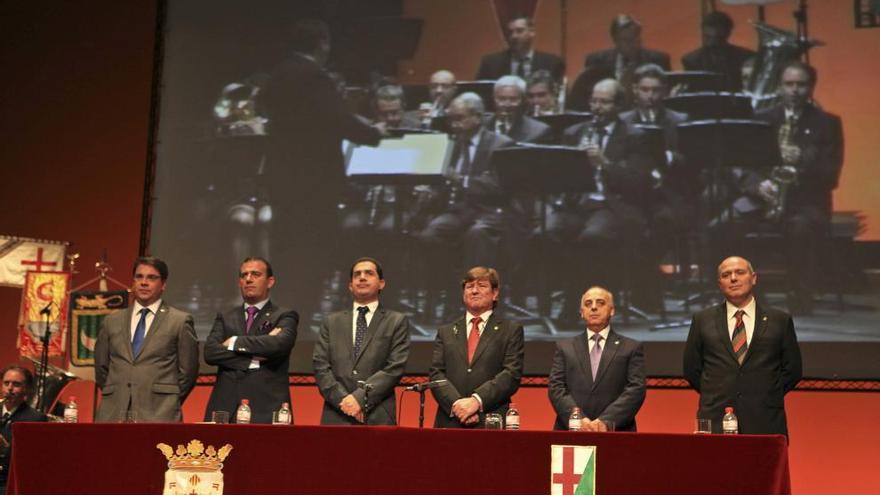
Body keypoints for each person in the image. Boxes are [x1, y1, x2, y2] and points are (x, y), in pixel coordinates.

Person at [261, 19, 385, 321]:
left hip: (281, 177)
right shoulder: (316, 77)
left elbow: (261, 105)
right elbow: (338, 119)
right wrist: (374, 132)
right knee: (314, 248)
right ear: (323, 44)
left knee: (285, 244)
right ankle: (301, 315)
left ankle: (280, 313)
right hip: (314, 181)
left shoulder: (277, 75)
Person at [547, 78, 654, 322]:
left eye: (604, 102)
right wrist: (576, 163)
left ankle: (578, 305)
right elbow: (560, 176)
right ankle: (574, 299)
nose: (597, 107)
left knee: (592, 237)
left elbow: (637, 182)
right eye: (594, 101)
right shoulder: (574, 133)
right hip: (578, 203)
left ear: (618, 106)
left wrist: (603, 163)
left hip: (614, 204)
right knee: (549, 231)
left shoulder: (634, 136)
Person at [753, 61, 843, 314]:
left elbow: (830, 176)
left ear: (812, 87)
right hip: (766, 198)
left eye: (801, 85)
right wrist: (760, 185)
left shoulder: (828, 123)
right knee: (725, 225)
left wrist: (801, 160)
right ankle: (751, 296)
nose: (794, 90)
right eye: (789, 84)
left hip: (807, 202)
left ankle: (799, 293)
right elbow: (747, 164)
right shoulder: (762, 119)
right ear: (780, 87)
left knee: (800, 227)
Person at [683, 256, 803, 435]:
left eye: (739, 272)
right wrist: (718, 392)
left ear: (753, 278)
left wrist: (766, 393)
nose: (733, 278)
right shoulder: (702, 320)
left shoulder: (780, 320)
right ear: (719, 283)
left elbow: (793, 370)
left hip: (765, 419)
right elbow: (692, 369)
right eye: (726, 275)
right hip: (716, 417)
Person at [94, 257, 199, 422]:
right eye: (139, 276)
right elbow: (101, 369)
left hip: (160, 412)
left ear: (163, 284)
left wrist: (168, 398)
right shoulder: (112, 321)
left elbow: (188, 372)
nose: (144, 282)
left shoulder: (179, 321)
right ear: (133, 281)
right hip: (114, 412)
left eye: (152, 277)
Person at [313, 257, 411, 425]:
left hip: (378, 414)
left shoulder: (396, 321)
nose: (362, 277)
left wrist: (359, 399)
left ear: (381, 283)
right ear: (350, 285)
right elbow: (321, 366)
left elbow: (394, 368)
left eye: (369, 273)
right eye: (357, 274)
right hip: (337, 413)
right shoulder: (331, 322)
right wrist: (344, 401)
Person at [203, 257, 298, 424]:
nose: (248, 279)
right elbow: (211, 352)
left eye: (255, 274)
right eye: (244, 275)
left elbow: (278, 345)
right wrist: (253, 361)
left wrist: (234, 342)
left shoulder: (284, 315)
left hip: (267, 407)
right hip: (226, 408)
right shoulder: (225, 317)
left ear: (270, 281)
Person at [429, 267, 524, 428]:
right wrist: (458, 405)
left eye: (482, 285)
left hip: (491, 418)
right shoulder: (445, 332)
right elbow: (436, 373)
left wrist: (476, 401)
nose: (474, 291)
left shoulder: (510, 330)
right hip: (450, 419)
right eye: (469, 286)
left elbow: (511, 374)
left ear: (495, 294)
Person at [548, 287, 645, 431]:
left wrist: (606, 421)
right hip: (573, 430)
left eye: (600, 303)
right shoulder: (564, 347)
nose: (593, 307)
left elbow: (636, 389)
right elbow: (556, 388)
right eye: (588, 304)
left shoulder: (631, 347)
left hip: (617, 431)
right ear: (582, 313)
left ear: (612, 310)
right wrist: (578, 419)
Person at [569, 14, 671, 110]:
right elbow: (586, 96)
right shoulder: (596, 61)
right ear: (615, 41)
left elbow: (667, 93)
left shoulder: (658, 60)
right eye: (627, 40)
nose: (633, 44)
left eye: (636, 39)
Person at [682, 11, 757, 92]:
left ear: (728, 34)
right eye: (708, 37)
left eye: (718, 38)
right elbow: (693, 91)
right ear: (702, 32)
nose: (712, 43)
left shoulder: (746, 57)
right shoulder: (691, 60)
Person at [476, 15, 565, 82]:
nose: (514, 36)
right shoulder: (490, 63)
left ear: (532, 32)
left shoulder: (552, 63)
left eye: (520, 31)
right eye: (510, 32)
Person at [0, 366, 46, 494]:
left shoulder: (36, 418)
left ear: (27, 390)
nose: (9, 388)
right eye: (6, 383)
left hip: (9, 482)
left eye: (16, 384)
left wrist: (6, 448)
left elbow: (32, 460)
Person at [488, 75, 552, 143]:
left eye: (513, 99)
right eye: (501, 99)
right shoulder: (481, 125)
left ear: (523, 101)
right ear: (494, 99)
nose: (507, 104)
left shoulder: (539, 131)